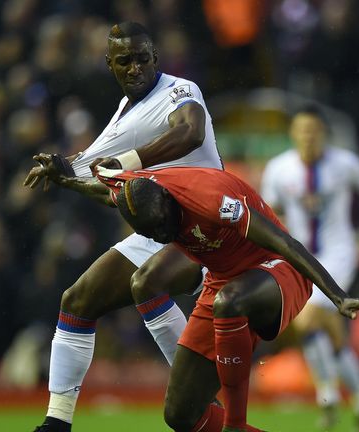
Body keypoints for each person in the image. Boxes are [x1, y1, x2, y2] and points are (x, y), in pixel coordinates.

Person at [87, 166, 359, 432]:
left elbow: (284, 242)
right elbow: (106, 188)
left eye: (160, 223)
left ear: (168, 199)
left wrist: (338, 296)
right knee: (180, 415)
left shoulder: (212, 201)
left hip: (278, 270)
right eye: (150, 232)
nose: (160, 234)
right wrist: (64, 178)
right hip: (225, 280)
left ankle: (235, 424)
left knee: (228, 302)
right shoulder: (138, 194)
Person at [23, 22, 222, 432]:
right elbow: (110, 187)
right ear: (110, 65)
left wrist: (128, 163)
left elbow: (190, 131)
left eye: (142, 58)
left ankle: (202, 397)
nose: (135, 68)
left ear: (156, 59)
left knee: (146, 284)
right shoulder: (123, 112)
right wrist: (66, 175)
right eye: (124, 61)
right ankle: (56, 423)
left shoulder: (180, 90)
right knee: (77, 300)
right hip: (163, 231)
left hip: (206, 227)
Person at [259, 106, 359, 430]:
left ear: (324, 134)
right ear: (293, 134)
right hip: (301, 256)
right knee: (324, 329)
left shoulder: (345, 163)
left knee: (308, 318)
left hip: (339, 254)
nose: (309, 136)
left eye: (314, 130)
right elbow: (269, 213)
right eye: (303, 130)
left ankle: (328, 393)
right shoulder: (279, 169)